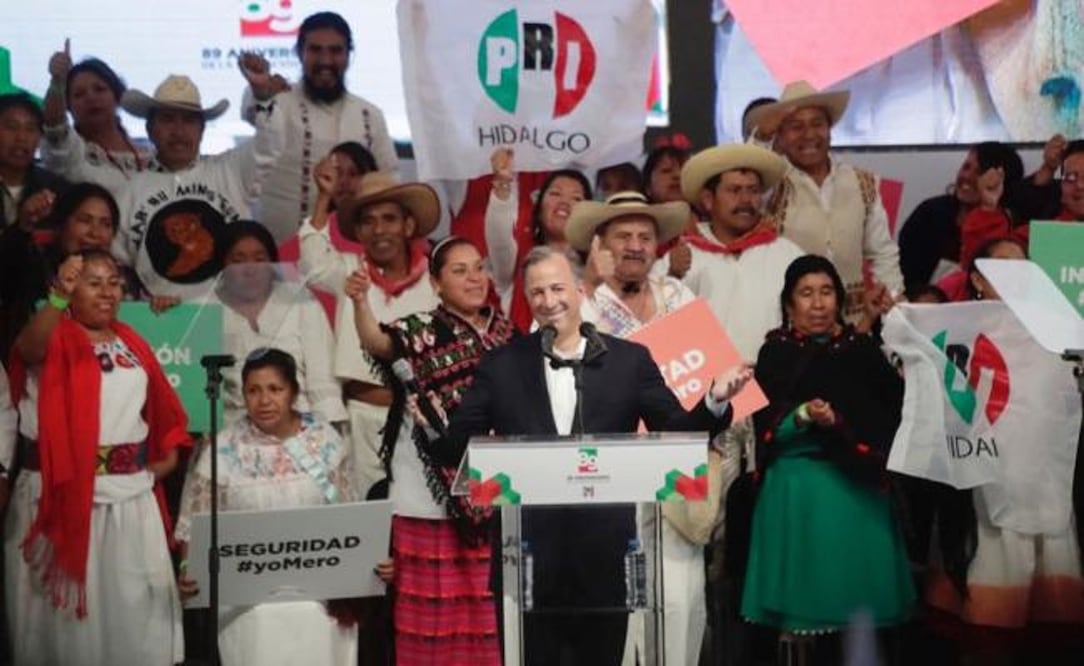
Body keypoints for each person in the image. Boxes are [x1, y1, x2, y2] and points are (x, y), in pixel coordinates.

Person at [417, 246, 751, 666]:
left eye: (557, 287)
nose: (548, 300)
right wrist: (429, 425)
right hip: (527, 560)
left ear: (578, 290)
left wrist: (715, 400)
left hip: (606, 558)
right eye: (536, 292)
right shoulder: (500, 365)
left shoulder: (628, 361)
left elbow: (678, 430)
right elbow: (456, 447)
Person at [7, 249, 189, 665]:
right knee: (66, 628)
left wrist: (167, 455)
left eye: (114, 282)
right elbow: (27, 349)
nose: (108, 292)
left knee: (131, 616)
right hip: (63, 497)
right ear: (69, 289)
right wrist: (56, 299)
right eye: (93, 282)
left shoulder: (131, 340)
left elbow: (163, 413)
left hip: (128, 496)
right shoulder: (53, 333)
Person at [346, 236, 514, 666]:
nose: (474, 278)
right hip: (426, 494)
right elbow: (378, 344)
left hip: (492, 491)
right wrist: (361, 304)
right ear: (436, 284)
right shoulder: (417, 331)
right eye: (459, 271)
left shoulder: (506, 333)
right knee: (430, 622)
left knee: (488, 614)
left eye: (478, 267)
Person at [740, 255, 915, 663]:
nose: (818, 304)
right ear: (788, 305)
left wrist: (843, 424)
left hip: (860, 494)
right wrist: (803, 417)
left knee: (861, 630)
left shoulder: (862, 351)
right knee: (802, 629)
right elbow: (764, 427)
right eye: (806, 294)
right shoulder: (775, 354)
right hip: (797, 494)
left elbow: (892, 416)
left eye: (826, 292)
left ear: (839, 298)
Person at [566, 191, 715, 665]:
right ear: (600, 244)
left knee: (680, 600)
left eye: (645, 237)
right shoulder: (575, 304)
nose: (634, 246)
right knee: (615, 611)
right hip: (604, 479)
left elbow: (708, 381)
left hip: (674, 473)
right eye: (622, 236)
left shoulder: (679, 296)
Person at [175, 347, 372, 665]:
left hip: (318, 588)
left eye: (274, 389)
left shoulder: (324, 439)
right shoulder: (223, 448)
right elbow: (191, 525)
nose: (264, 401)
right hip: (246, 594)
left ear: (293, 391)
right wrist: (187, 570)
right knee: (262, 623)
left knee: (312, 616)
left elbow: (350, 516)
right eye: (253, 391)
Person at [299, 169, 439, 498]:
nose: (379, 230)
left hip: (421, 419)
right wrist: (324, 198)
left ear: (408, 226)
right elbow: (313, 261)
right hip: (361, 416)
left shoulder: (435, 278)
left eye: (389, 218)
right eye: (368, 221)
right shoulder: (349, 269)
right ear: (358, 231)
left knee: (420, 509)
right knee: (368, 516)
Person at [114, 73, 281, 300]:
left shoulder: (231, 169)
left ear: (202, 130)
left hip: (234, 315)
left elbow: (270, 145)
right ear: (150, 129)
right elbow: (118, 269)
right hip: (161, 323)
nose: (179, 131)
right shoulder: (128, 193)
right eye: (168, 119)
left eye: (189, 120)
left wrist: (263, 97)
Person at [747, 81, 904, 322]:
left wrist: (893, 301)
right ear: (781, 135)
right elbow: (746, 173)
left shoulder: (862, 182)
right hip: (791, 323)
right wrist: (762, 136)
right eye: (796, 127)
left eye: (817, 124)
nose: (809, 135)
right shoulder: (772, 183)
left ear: (830, 129)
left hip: (854, 323)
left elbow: (882, 252)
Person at [240, 11, 399, 241]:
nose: (325, 60)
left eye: (335, 51)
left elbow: (389, 185)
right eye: (315, 50)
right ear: (299, 53)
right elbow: (254, 110)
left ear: (348, 55)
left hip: (353, 256)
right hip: (282, 249)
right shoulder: (279, 100)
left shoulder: (370, 115)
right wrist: (260, 91)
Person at [666, 143, 804, 361]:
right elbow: (659, 326)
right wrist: (671, 277)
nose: (746, 200)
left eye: (753, 190)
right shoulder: (680, 257)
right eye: (734, 190)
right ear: (708, 200)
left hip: (776, 383)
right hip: (707, 386)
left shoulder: (789, 255)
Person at [215, 220, 345, 427]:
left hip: (303, 429)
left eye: (260, 259)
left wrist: (324, 436)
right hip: (234, 434)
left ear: (272, 263)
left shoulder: (300, 299)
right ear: (222, 264)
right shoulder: (204, 307)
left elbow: (323, 376)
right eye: (239, 261)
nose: (250, 269)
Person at [485, 148, 591, 330]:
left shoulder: (596, 267)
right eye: (555, 194)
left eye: (576, 198)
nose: (565, 202)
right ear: (539, 208)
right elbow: (500, 237)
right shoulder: (517, 261)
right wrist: (503, 183)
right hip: (523, 356)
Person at [898, 142, 1024, 288]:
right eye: (966, 167)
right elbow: (903, 273)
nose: (967, 176)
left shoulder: (1009, 226)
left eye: (980, 172)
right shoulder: (930, 212)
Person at [42, 44, 154, 197]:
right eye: (79, 94)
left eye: (100, 89)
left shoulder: (151, 152)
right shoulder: (72, 154)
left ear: (117, 96)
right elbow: (54, 127)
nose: (91, 98)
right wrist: (57, 81)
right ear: (68, 107)